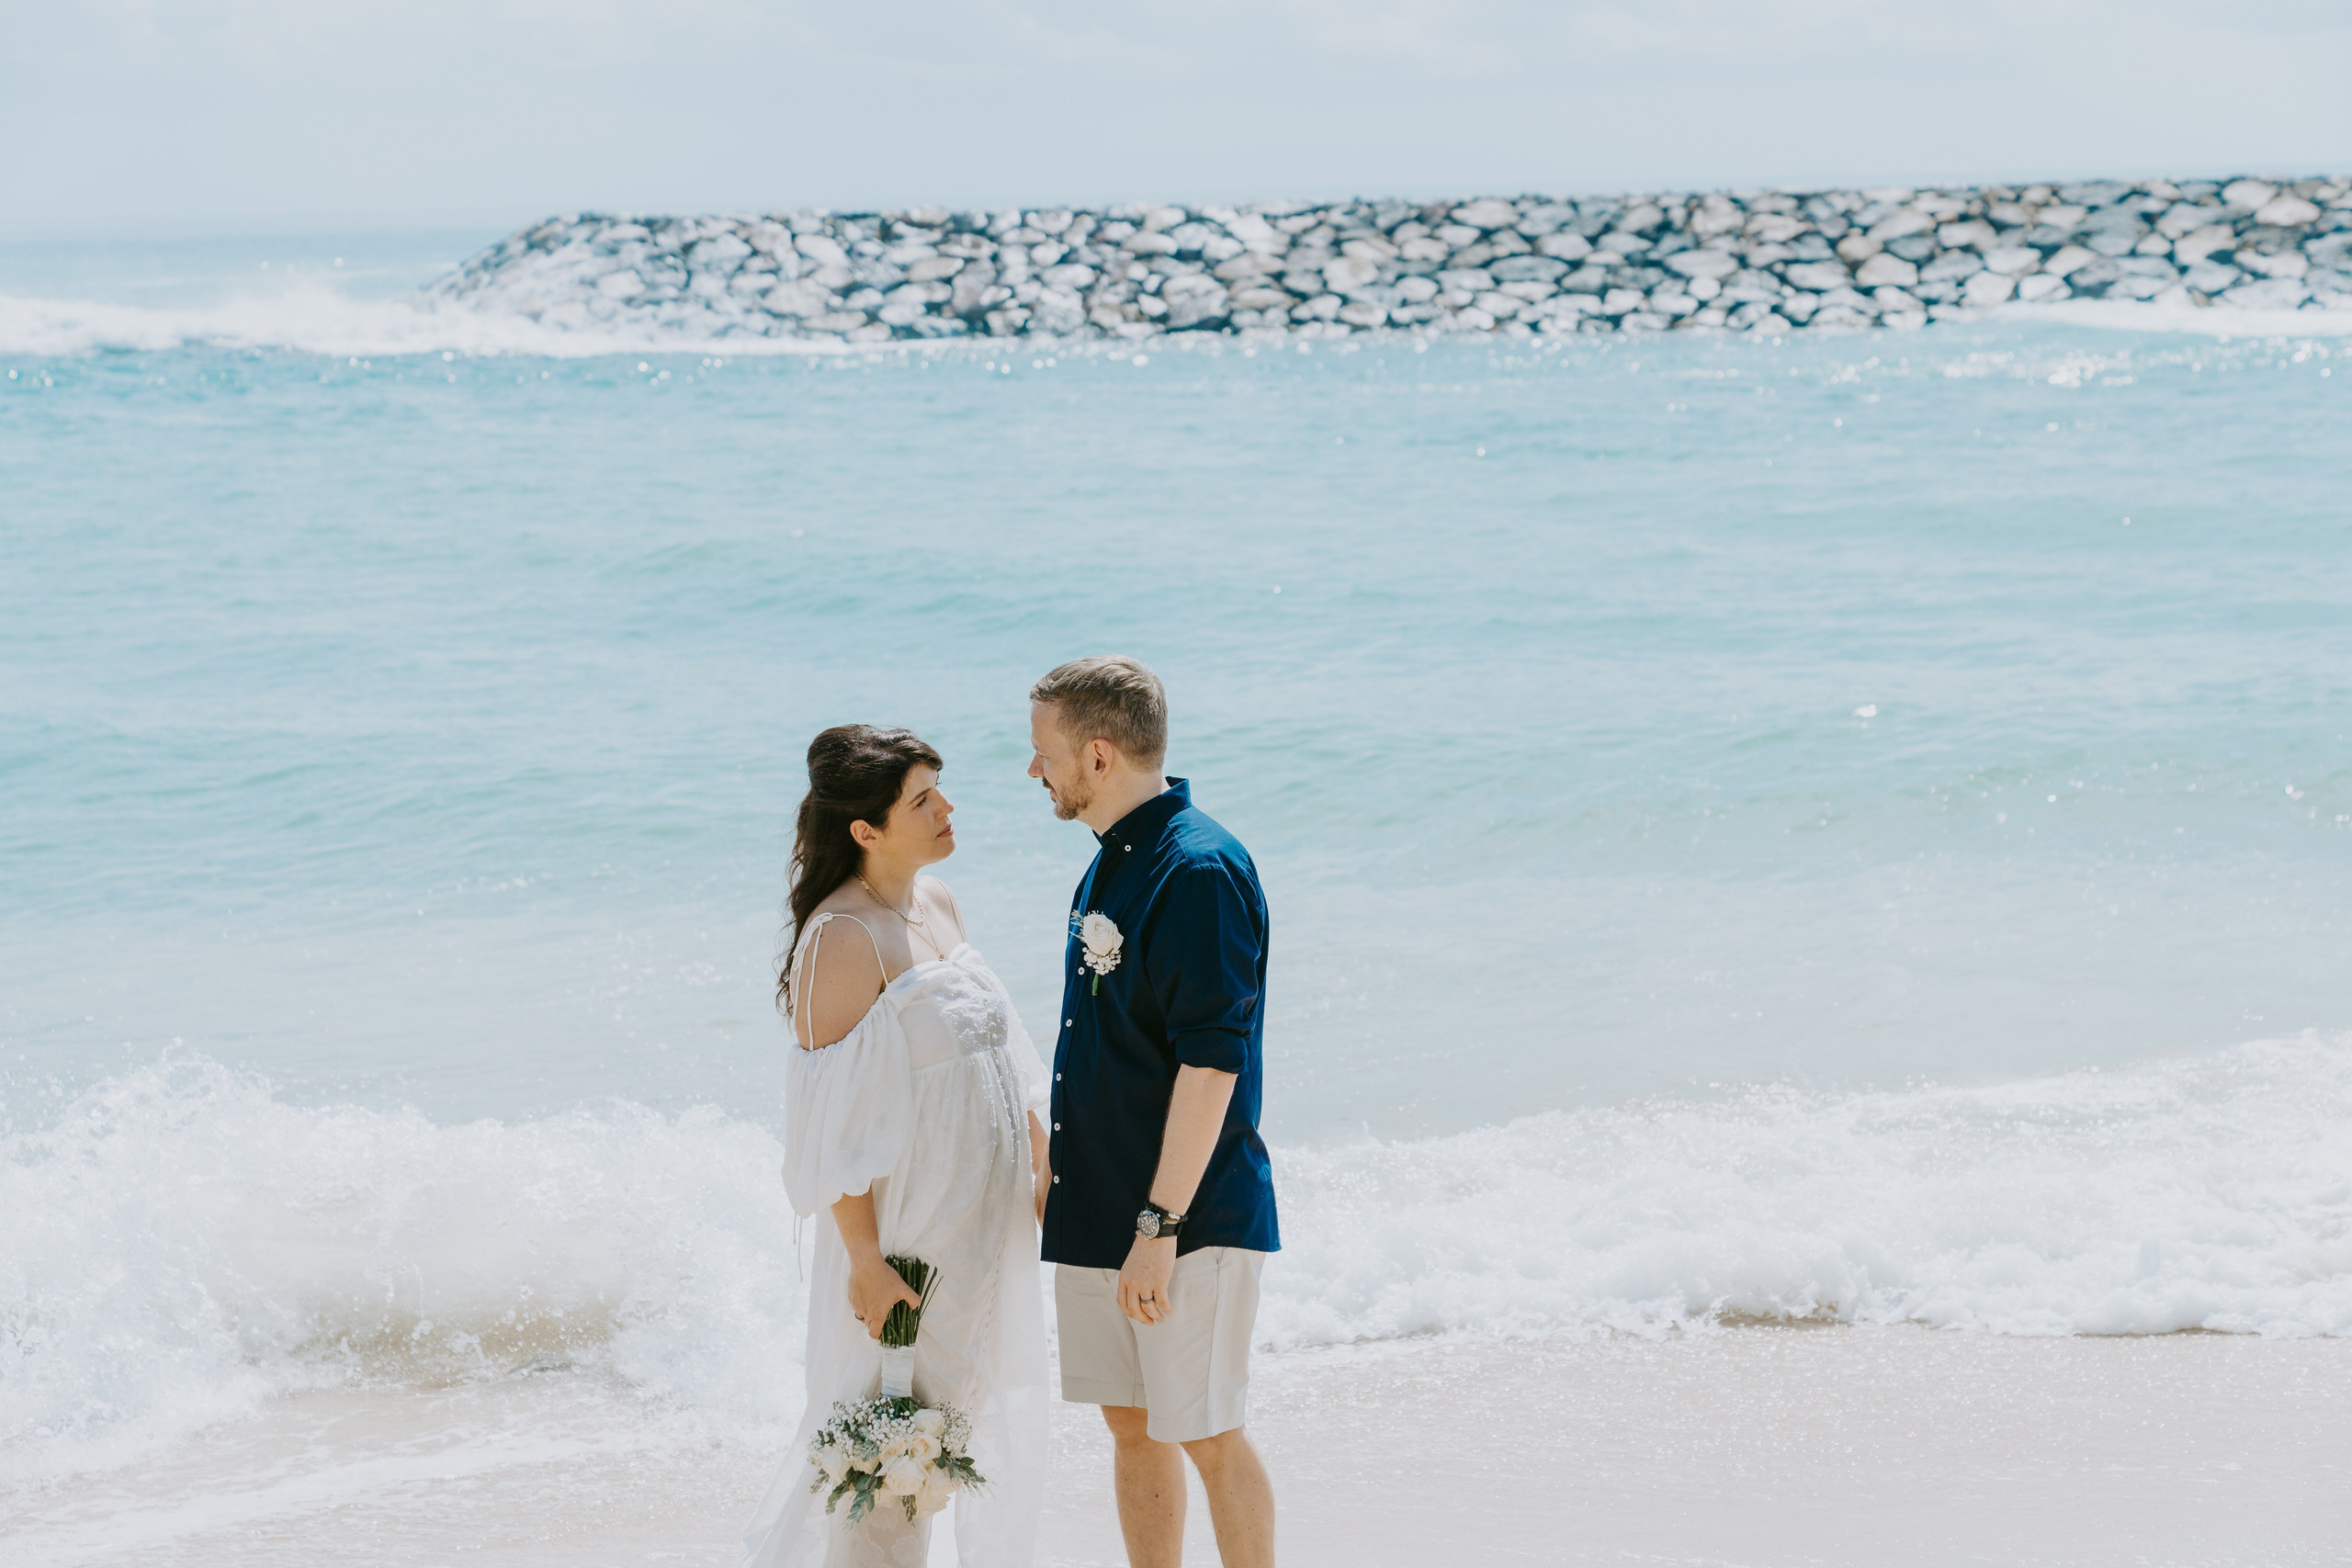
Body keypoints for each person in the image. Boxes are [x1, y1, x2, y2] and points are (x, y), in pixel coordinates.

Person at [742, 725, 1052, 1568]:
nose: (947, 806)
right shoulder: (840, 938)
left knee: (961, 1436)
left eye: (939, 788)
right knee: (892, 1456)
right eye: (922, 799)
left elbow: (1004, 1045)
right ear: (865, 830)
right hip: (908, 1245)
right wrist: (866, 1261)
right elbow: (826, 1127)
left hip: (981, 1232)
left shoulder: (938, 900)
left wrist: (1041, 1157)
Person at [1026, 657, 1281, 1568]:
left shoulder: (1198, 870)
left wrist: (1158, 1223)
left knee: (1208, 1432)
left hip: (1185, 1218)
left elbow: (1213, 1065)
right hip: (1104, 1208)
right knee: (1130, 1426)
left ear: (1096, 755)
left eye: (1043, 752)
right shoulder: (1109, 865)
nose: (1033, 771)